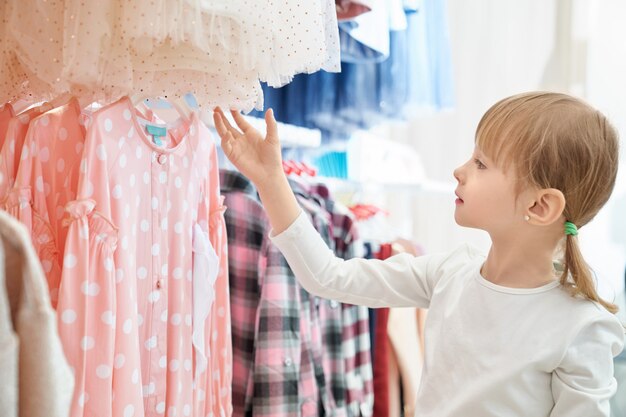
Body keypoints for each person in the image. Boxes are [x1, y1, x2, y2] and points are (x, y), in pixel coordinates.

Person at [212, 91, 625, 416]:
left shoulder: (581, 327)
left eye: (481, 163)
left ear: (539, 206)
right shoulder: (450, 273)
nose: (459, 170)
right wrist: (270, 180)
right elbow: (328, 277)